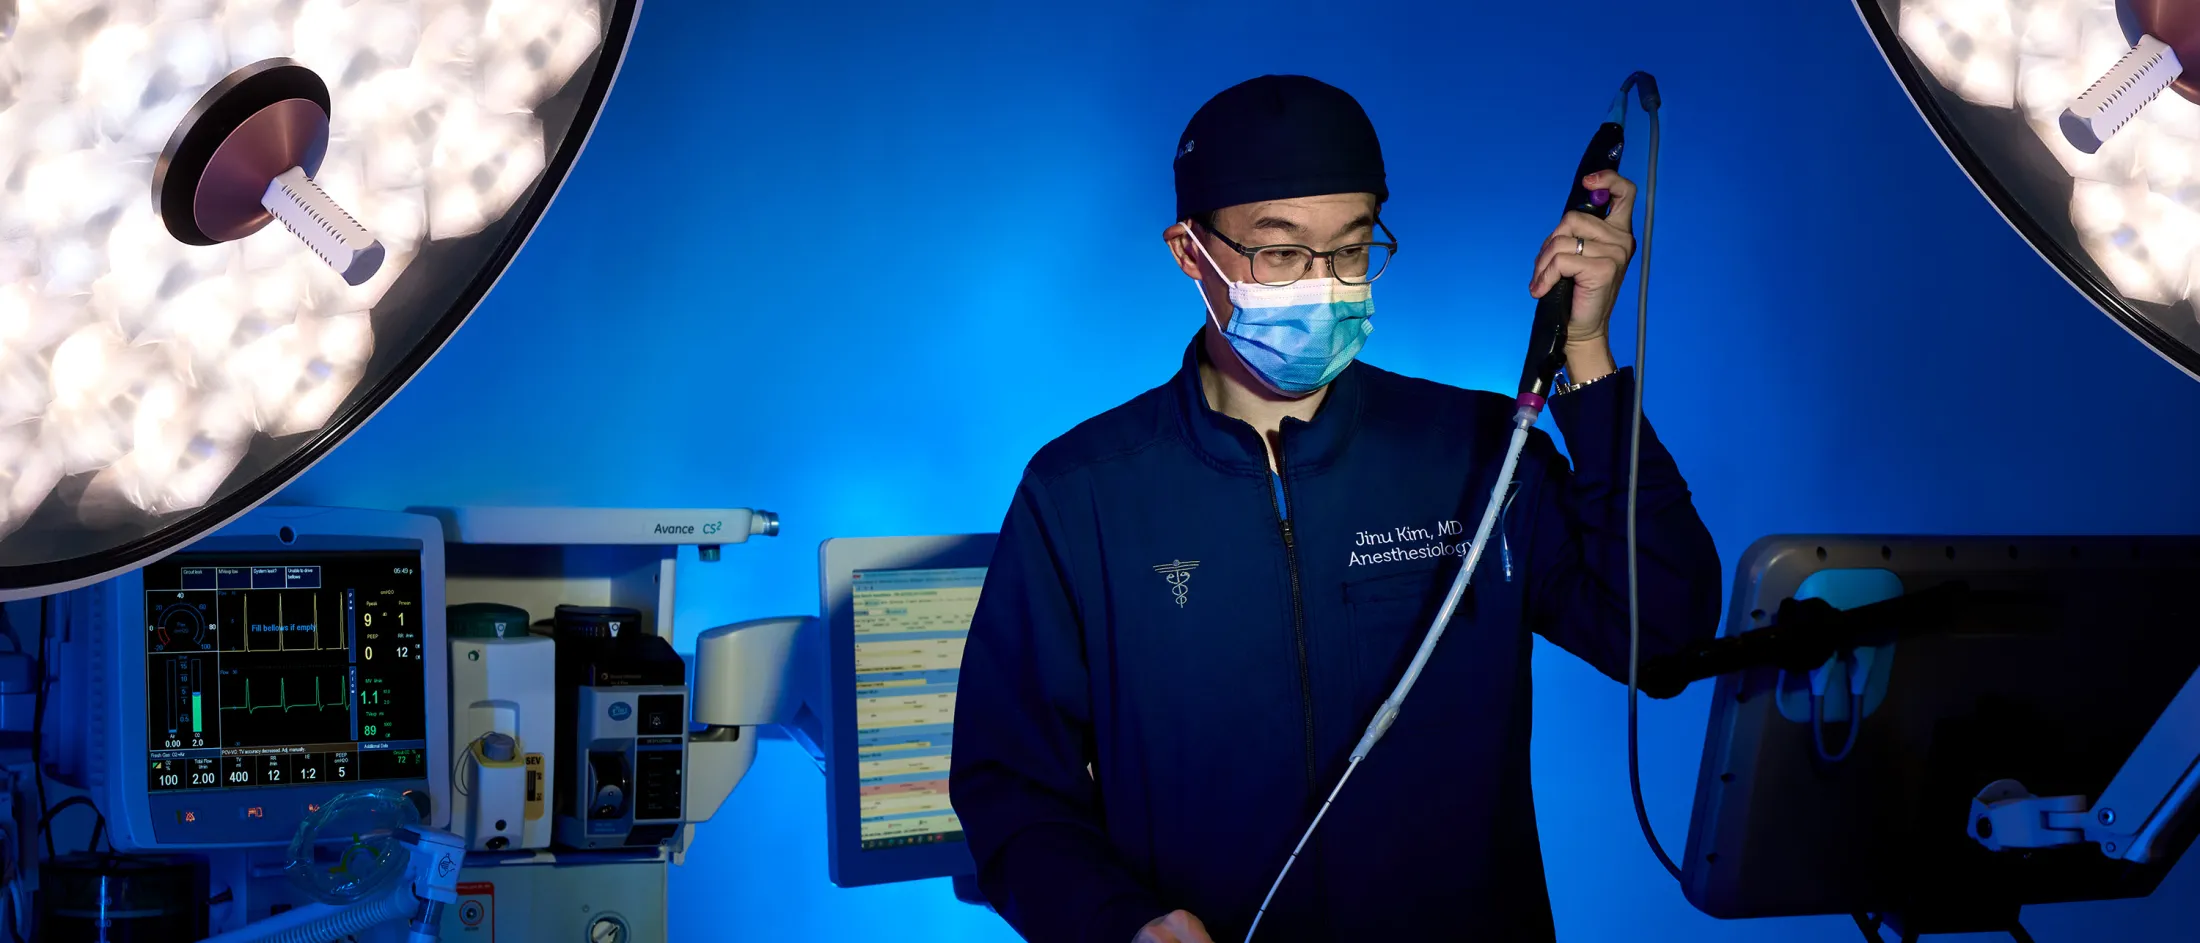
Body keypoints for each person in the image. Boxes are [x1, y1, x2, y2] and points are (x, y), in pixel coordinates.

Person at [949, 74, 1722, 943]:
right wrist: (1119, 922)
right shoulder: (1081, 493)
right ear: (1189, 251)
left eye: (1351, 250)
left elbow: (1666, 638)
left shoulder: (1477, 449)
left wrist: (1585, 354)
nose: (1322, 284)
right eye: (1279, 253)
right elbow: (1009, 789)